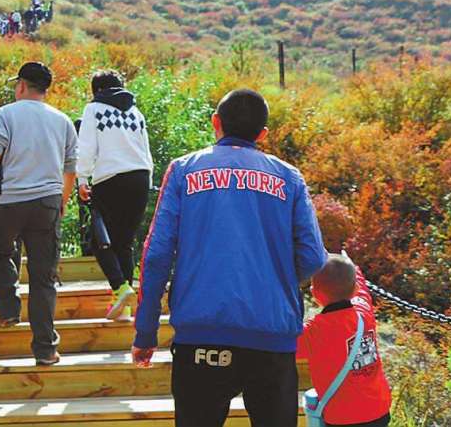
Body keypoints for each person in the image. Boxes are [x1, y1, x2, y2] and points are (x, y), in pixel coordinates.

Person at [132, 88, 328, 427]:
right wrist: (273, 278)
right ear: (263, 134)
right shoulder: (289, 178)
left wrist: (146, 332)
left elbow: (156, 255)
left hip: (201, 338)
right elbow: (312, 257)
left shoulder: (183, 170)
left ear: (215, 123)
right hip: (272, 338)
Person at [0, 62, 77, 365]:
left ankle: (9, 308)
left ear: (22, 85)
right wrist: (61, 201)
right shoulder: (62, 120)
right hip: (47, 203)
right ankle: (46, 349)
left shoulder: (6, 114)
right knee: (43, 279)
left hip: (9, 201)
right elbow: (70, 168)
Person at [75, 70, 153, 321]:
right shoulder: (136, 113)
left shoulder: (94, 109)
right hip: (140, 178)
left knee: (99, 241)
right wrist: (147, 181)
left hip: (110, 179)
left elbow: (86, 146)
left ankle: (120, 287)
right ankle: (124, 308)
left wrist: (82, 178)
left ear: (96, 90)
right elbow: (146, 150)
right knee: (124, 243)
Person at [298, 253, 392, 427]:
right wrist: (351, 265)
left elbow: (284, 344)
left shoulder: (314, 331)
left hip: (342, 417)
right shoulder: (364, 311)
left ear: (315, 294)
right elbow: (361, 288)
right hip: (379, 410)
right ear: (354, 288)